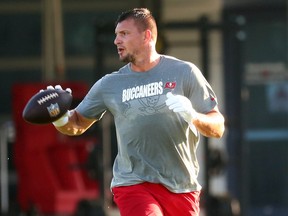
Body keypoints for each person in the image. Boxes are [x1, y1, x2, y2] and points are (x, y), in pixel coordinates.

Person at [51, 8, 225, 216]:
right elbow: (77, 123)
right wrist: (59, 117)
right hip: (133, 184)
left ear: (147, 35)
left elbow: (218, 127)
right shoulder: (109, 84)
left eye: (124, 34)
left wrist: (194, 116)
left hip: (182, 186)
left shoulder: (185, 73)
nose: (116, 41)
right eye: (116, 35)